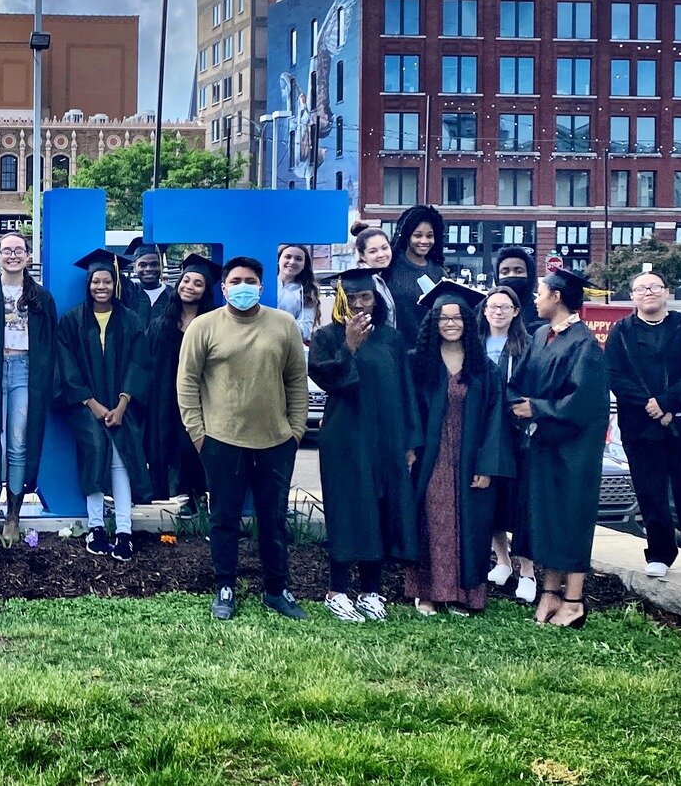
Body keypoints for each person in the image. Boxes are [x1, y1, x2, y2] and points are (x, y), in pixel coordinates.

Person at [177, 255, 310, 621]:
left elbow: (297, 381)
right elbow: (186, 381)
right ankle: (224, 587)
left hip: (275, 442)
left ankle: (276, 589)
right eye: (235, 281)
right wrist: (198, 434)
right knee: (224, 519)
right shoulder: (203, 327)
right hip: (220, 440)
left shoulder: (283, 325)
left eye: (250, 281)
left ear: (262, 286)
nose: (242, 287)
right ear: (223, 287)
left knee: (273, 519)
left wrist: (296, 431)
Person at [308, 266, 419, 622]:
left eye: (365, 297)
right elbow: (325, 377)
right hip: (345, 437)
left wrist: (411, 441)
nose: (358, 304)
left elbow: (406, 391)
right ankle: (337, 589)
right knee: (346, 509)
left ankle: (372, 591)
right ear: (340, 299)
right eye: (351, 298)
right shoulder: (327, 336)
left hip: (386, 438)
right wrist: (350, 347)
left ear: (376, 299)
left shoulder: (391, 339)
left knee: (380, 510)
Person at [607, 270, 681, 583]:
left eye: (655, 287)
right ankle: (660, 553)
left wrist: (667, 403)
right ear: (632, 296)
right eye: (641, 288)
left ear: (666, 292)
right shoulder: (620, 332)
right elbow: (615, 376)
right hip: (639, 425)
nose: (648, 292)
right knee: (651, 493)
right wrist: (651, 405)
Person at [509, 267, 610, 628]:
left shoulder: (585, 344)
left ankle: (574, 600)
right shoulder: (541, 337)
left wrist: (536, 407)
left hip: (574, 450)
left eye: (540, 292)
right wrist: (515, 401)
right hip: (544, 443)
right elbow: (519, 379)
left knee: (571, 519)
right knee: (546, 519)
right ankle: (550, 594)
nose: (535, 298)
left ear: (557, 297)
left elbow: (584, 402)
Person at [405, 281, 513, 615]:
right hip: (430, 457)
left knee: (471, 524)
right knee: (431, 520)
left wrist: (487, 464)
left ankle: (463, 595)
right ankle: (427, 592)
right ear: (433, 323)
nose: (451, 324)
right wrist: (408, 447)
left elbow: (496, 419)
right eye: (443, 318)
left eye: (457, 318)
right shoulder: (417, 364)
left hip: (471, 458)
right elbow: (406, 408)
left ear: (468, 321)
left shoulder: (484, 368)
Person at [53, 248, 152, 562]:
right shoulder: (71, 321)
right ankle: (96, 527)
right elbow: (65, 365)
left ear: (116, 283)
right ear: (88, 284)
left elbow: (139, 364)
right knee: (95, 453)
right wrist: (92, 403)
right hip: (85, 405)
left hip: (124, 406)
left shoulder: (131, 320)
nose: (101, 287)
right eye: (96, 281)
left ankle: (124, 530)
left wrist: (122, 404)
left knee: (121, 460)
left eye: (107, 281)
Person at [0, 232, 58, 547]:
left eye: (18, 250)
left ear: (28, 256)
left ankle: (13, 516)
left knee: (17, 443)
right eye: (6, 250)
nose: (12, 255)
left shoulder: (41, 297)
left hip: (25, 372)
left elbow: (50, 343)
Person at [139, 252, 217, 514]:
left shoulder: (214, 324)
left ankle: (200, 495)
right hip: (165, 396)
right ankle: (187, 497)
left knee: (194, 444)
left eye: (198, 283)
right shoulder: (162, 324)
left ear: (205, 290)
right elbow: (148, 362)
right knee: (173, 446)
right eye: (186, 280)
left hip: (203, 397)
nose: (190, 286)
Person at [478, 282, 538, 604]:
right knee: (491, 500)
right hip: (484, 430)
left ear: (516, 312)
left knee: (520, 503)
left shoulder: (528, 345)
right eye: (492, 306)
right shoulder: (474, 344)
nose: (498, 311)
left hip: (517, 434)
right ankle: (501, 561)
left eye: (505, 307)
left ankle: (526, 571)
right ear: (484, 310)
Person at [384, 204, 445, 340]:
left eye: (429, 236)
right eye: (417, 235)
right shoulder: (389, 268)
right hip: (395, 347)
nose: (424, 241)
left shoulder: (439, 273)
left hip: (429, 349)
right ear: (407, 236)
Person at [274, 244, 322, 346]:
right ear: (278, 259)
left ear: (304, 264)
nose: (292, 262)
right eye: (287, 257)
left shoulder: (308, 291)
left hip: (289, 346)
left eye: (298, 259)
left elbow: (304, 329)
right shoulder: (264, 284)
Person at [350, 225, 398, 327]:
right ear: (362, 255)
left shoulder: (378, 277)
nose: (381, 254)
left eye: (384, 248)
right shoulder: (361, 281)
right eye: (373, 251)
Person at [493, 246, 543, 333]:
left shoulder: (542, 311)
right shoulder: (486, 311)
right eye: (505, 272)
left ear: (530, 275)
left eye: (519, 271)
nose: (511, 275)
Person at [122, 238, 171, 323]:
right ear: (134, 268)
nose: (148, 269)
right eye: (142, 265)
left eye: (154, 264)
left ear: (162, 266)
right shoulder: (128, 292)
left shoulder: (172, 294)